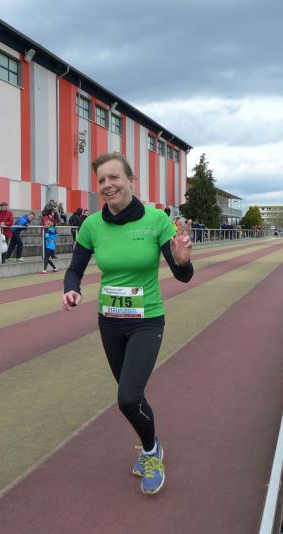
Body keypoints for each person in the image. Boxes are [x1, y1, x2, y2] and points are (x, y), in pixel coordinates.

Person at [62, 152, 193, 495]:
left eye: (114, 177)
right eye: (101, 180)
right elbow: (74, 269)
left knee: (127, 397)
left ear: (131, 181)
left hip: (146, 320)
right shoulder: (92, 225)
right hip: (110, 322)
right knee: (131, 397)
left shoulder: (157, 221)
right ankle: (152, 445)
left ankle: (151, 453)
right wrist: (72, 289)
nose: (108, 185)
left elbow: (182, 275)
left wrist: (182, 261)